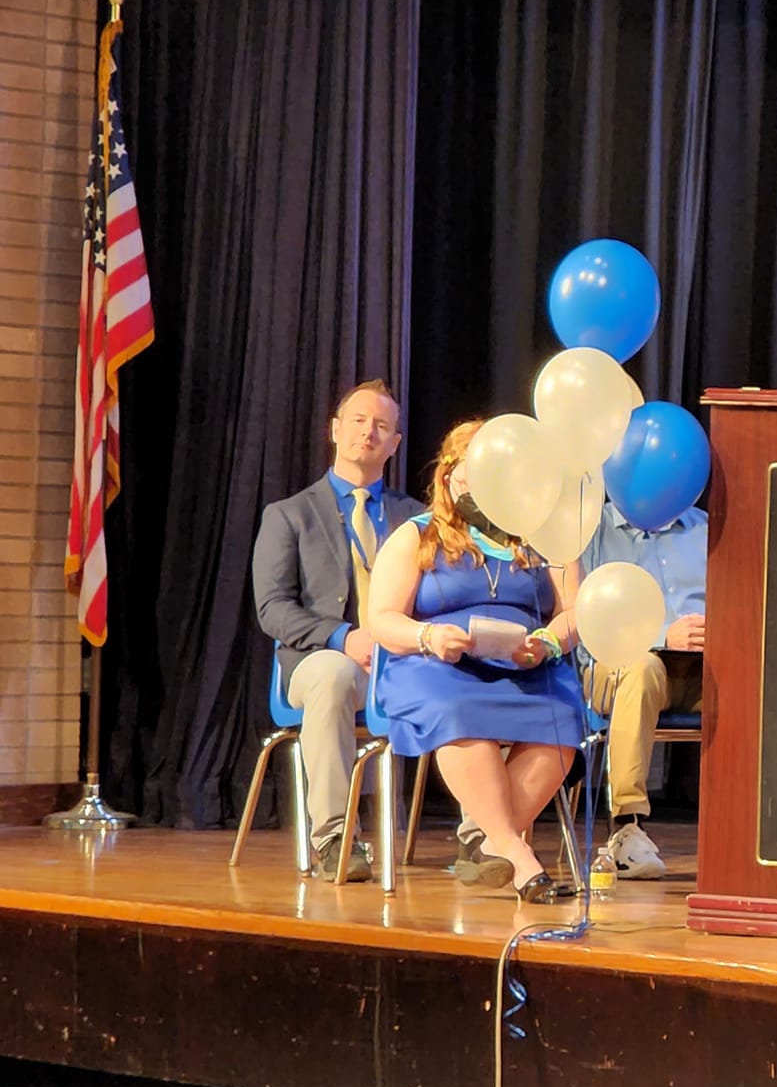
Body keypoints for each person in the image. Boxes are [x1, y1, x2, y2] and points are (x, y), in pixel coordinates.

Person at [364, 419, 584, 904]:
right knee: (459, 710)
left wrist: (548, 641)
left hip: (524, 664)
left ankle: (490, 844)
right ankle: (519, 856)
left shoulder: (545, 536)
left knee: (563, 718)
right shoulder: (417, 535)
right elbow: (380, 618)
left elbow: (576, 611)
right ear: (450, 474)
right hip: (437, 666)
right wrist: (428, 636)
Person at [252, 379, 422, 882]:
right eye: (358, 421)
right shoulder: (290, 515)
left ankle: (483, 839)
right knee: (333, 674)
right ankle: (334, 838)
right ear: (334, 430)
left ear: (395, 443)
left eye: (382, 426)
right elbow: (272, 609)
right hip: (318, 663)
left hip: (402, 665)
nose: (368, 432)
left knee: (473, 675)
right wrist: (343, 637)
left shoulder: (417, 519)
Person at [569, 498, 708, 880]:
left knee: (756, 680)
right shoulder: (589, 530)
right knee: (641, 667)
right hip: (618, 663)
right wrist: (662, 636)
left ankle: (759, 826)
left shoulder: (706, 529)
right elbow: (585, 618)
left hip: (703, 668)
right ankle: (626, 826)